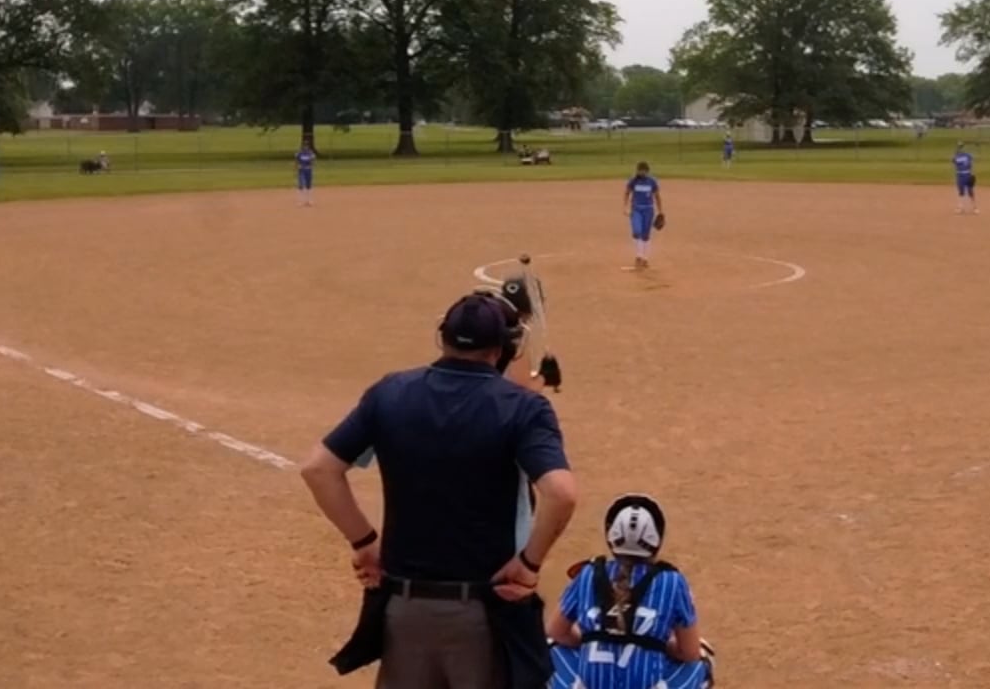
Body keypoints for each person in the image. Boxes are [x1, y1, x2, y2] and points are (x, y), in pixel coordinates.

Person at [304, 290, 579, 689]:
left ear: (442, 336)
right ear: (502, 348)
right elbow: (561, 493)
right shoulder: (522, 407)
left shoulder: (391, 393)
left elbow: (319, 470)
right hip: (483, 614)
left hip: (404, 612)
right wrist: (529, 564)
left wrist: (364, 542)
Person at [547, 494, 713, 689]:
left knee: (550, 646)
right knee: (703, 657)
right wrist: (660, 643)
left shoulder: (587, 573)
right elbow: (689, 652)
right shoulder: (672, 580)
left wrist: (590, 639)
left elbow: (556, 632)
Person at [623, 162, 663, 269]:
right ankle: (638, 256)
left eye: (643, 171)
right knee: (637, 231)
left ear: (647, 171)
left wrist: (660, 211)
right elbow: (627, 193)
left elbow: (657, 196)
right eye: (639, 170)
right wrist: (625, 207)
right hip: (636, 209)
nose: (641, 172)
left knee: (646, 235)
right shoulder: (633, 180)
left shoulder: (652, 181)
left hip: (648, 210)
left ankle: (645, 259)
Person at [952, 142, 978, 214]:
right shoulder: (956, 157)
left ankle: (975, 207)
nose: (960, 149)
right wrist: (956, 154)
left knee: (970, 191)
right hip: (960, 175)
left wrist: (972, 173)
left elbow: (971, 163)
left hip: (967, 174)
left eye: (961, 147)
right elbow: (954, 161)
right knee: (961, 192)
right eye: (959, 147)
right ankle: (960, 208)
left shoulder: (968, 155)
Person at [296, 139, 317, 207]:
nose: (305, 146)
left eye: (307, 145)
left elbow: (313, 160)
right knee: (301, 185)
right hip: (301, 171)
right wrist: (298, 166)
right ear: (302, 146)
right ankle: (300, 201)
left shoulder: (310, 153)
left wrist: (311, 165)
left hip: (308, 170)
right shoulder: (300, 153)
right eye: (304, 145)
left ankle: (308, 201)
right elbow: (297, 161)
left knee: (308, 185)